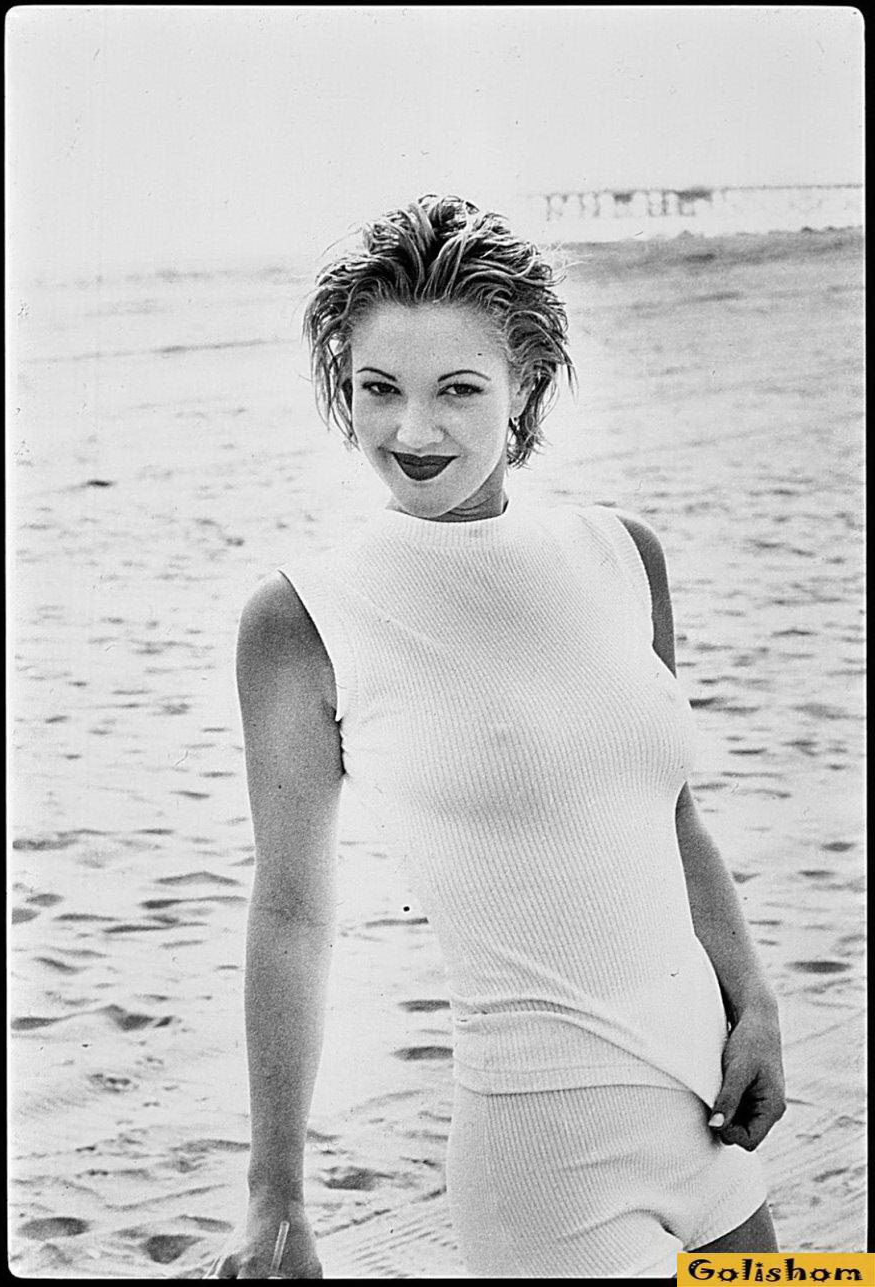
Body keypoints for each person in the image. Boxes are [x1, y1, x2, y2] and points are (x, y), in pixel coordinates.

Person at [216, 194, 786, 1279]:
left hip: (709, 1121)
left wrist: (754, 999)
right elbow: (291, 912)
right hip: (545, 1176)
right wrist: (274, 1196)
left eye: (458, 389)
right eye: (378, 388)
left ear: (525, 384)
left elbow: (670, 813)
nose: (412, 431)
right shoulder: (302, 618)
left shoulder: (625, 554)